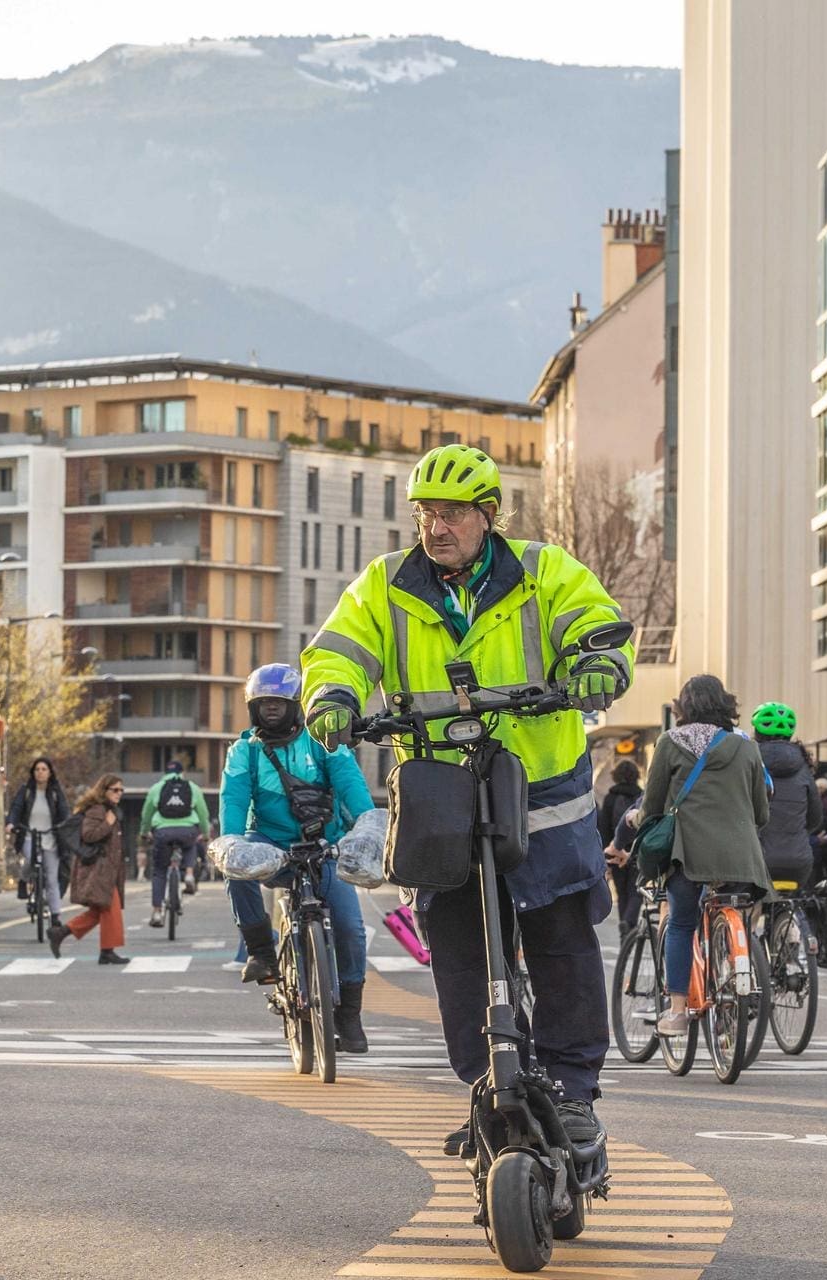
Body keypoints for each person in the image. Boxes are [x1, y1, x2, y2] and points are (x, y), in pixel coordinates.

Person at [301, 443, 631, 1146]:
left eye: (452, 514)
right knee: (456, 948)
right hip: (439, 791)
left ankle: (572, 1093)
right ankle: (489, 1084)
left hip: (542, 790)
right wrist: (332, 693)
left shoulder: (544, 571)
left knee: (561, 936)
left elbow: (593, 618)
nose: (436, 527)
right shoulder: (384, 584)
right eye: (426, 514)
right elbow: (339, 648)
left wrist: (597, 659)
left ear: (488, 516)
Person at [224, 663, 372, 1054]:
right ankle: (261, 953)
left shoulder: (323, 743)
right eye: (263, 703)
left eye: (279, 702)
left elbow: (351, 784)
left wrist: (368, 825)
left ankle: (349, 1015)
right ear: (253, 708)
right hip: (270, 846)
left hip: (324, 848)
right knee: (236, 868)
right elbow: (234, 799)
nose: (271, 709)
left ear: (297, 705)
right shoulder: (244, 752)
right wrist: (231, 841)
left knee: (351, 928)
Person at [638, 676, 771, 1034]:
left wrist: (641, 823)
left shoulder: (669, 742)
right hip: (741, 857)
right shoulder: (746, 748)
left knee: (682, 923)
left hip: (689, 853)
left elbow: (651, 804)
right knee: (737, 913)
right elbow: (762, 812)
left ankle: (678, 1011)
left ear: (683, 706)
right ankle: (733, 968)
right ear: (727, 705)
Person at [50, 776, 129, 964]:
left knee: (99, 912)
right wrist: (107, 824)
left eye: (121, 790)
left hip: (107, 870)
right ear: (104, 791)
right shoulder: (97, 810)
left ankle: (61, 933)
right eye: (115, 790)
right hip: (99, 870)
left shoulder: (109, 810)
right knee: (111, 909)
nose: (119, 793)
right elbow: (89, 835)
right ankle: (107, 952)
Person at [750, 701, 821, 891]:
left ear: (756, 732)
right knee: (793, 908)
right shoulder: (804, 767)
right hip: (798, 861)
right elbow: (815, 818)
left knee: (748, 904)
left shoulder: (748, 761)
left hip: (756, 859)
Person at [140, 760, 210, 929]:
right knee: (191, 845)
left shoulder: (157, 788)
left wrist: (144, 831)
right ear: (181, 772)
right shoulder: (192, 787)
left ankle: (157, 912)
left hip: (162, 832)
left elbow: (146, 813)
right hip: (187, 831)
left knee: (159, 871)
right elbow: (203, 812)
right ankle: (189, 874)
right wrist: (205, 834)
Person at [5, 757, 70, 918]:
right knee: (30, 859)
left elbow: (64, 811)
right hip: (29, 836)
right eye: (37, 769)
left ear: (50, 773)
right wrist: (11, 823)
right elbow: (16, 808)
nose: (40, 772)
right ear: (33, 773)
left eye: (44, 769)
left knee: (52, 878)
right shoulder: (26, 790)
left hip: (51, 838)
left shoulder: (56, 792)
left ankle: (55, 916)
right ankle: (23, 878)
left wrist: (66, 826)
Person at [598, 758, 645, 936]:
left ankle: (624, 928)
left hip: (615, 850)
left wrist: (607, 854)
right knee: (636, 890)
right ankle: (629, 922)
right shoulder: (640, 795)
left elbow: (603, 827)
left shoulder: (610, 798)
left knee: (621, 892)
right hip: (637, 851)